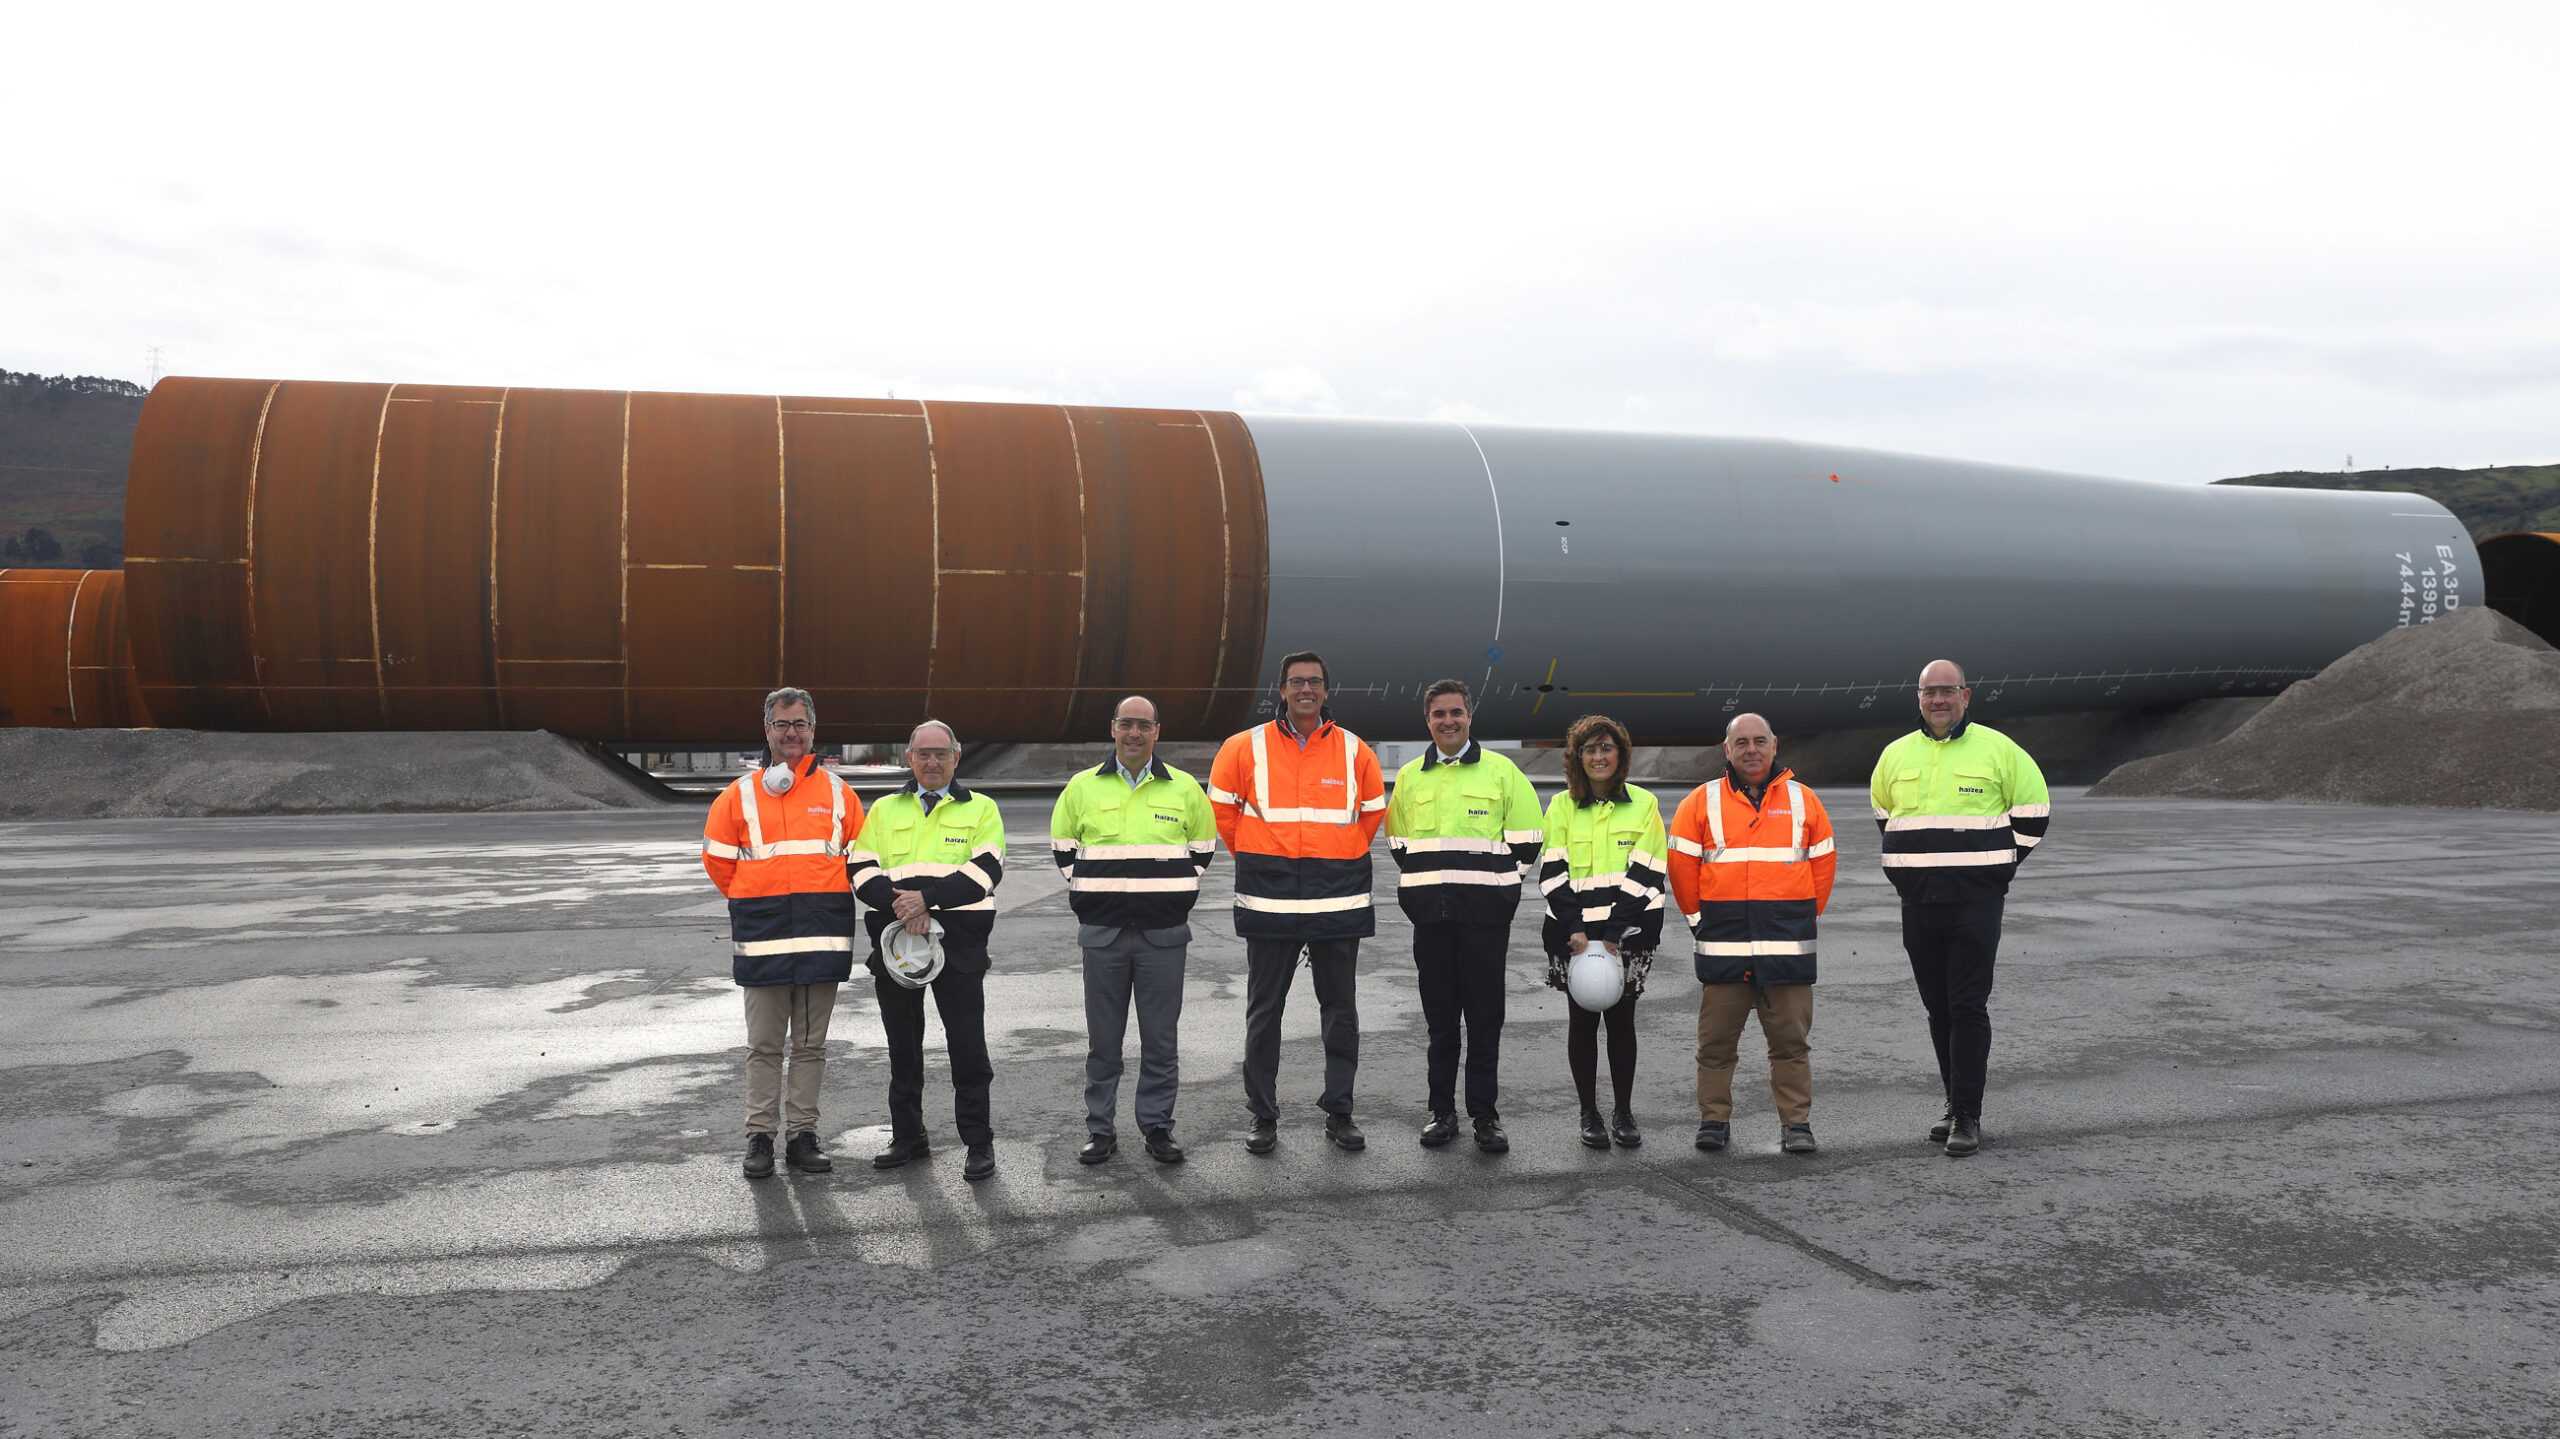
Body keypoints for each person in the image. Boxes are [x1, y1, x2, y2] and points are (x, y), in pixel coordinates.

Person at [1208, 651, 1388, 1154]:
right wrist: (1265, 858)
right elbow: (1222, 812)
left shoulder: (1356, 752)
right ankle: (1263, 1115)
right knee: (1264, 1013)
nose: (1305, 689)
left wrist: (1337, 855)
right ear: (1282, 691)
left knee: (1341, 1013)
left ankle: (1340, 1112)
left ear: (1326, 691)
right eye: (1296, 682)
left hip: (1338, 899)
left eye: (1314, 682)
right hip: (1270, 899)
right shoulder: (1243, 748)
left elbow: (1371, 814)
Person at [1870, 660, 2052, 1158]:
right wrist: (1912, 868)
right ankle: (1952, 1105)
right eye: (1930, 692)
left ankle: (1969, 1116)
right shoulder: (1895, 755)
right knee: (1937, 1007)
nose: (1939, 700)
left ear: (1966, 696)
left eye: (1947, 691)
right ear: (1918, 698)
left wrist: (1995, 869)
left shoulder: (1999, 749)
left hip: (1976, 902)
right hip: (1919, 902)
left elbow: (2034, 812)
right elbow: (1886, 815)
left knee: (1967, 1005)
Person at [700, 687, 864, 1179]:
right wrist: (760, 897)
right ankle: (759, 1138)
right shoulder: (739, 795)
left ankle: (803, 1136)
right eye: (781, 724)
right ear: (766, 731)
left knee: (812, 1046)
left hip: (821, 936)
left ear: (813, 730)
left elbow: (863, 858)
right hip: (765, 937)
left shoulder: (839, 793)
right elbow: (718, 862)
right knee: (765, 1046)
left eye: (800, 724)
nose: (791, 733)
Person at [1050, 695, 1218, 1165]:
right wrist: (1103, 896)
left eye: (1144, 726)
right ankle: (1100, 1130)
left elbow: (1202, 852)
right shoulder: (1082, 788)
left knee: (1160, 1041)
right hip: (1102, 934)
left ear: (1157, 732)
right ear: (1113, 728)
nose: (1134, 734)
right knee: (1103, 1042)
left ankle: (1158, 1127)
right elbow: (1065, 851)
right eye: (1127, 724)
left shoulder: (1184, 789)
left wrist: (1163, 895)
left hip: (1162, 936)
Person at [1384, 679, 1544, 1153]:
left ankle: (1485, 1115)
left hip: (1484, 921)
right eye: (1439, 714)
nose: (1448, 721)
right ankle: (1441, 1112)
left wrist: (1491, 887)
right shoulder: (1412, 777)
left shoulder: (1502, 772)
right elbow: (1399, 842)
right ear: (1428, 721)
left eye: (1456, 713)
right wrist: (1431, 881)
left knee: (1484, 1018)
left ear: (1470, 716)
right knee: (1439, 1022)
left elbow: (1528, 840)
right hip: (1430, 918)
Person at [1668, 713, 1838, 1156]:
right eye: (1741, 742)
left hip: (1786, 950)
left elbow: (1823, 868)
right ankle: (1714, 1119)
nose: (1751, 750)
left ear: (1775, 745)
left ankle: (1796, 1124)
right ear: (1727, 750)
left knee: (1791, 1043)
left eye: (1759, 741)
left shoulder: (1805, 801)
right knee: (1716, 1043)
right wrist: (1698, 923)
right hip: (1724, 947)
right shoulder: (1699, 802)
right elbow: (1682, 870)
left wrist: (1797, 920)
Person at [850, 720, 1007, 1181]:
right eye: (924, 753)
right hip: (897, 949)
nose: (932, 761)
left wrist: (927, 900)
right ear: (909, 758)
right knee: (903, 1047)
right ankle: (908, 1136)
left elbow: (985, 871)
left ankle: (978, 1142)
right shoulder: (883, 810)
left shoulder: (982, 810)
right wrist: (904, 907)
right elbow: (860, 868)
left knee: (967, 1048)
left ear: (957, 757)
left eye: (942, 753)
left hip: (958, 949)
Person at [1537, 714, 1668, 1150]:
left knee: (1622, 1022)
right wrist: (1575, 929)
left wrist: (1614, 932)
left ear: (1621, 755)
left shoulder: (1644, 804)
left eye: (1606, 748)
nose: (1598, 756)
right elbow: (1552, 871)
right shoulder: (1559, 807)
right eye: (1589, 749)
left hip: (1627, 934)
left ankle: (1624, 1111)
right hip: (1572, 935)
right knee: (1581, 1022)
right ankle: (1588, 1113)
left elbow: (1649, 868)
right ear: (1577, 757)